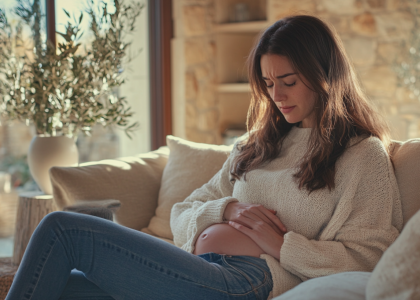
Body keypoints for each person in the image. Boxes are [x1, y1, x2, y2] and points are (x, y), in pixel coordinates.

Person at [6, 15, 403, 300]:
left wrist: (283, 246)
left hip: (245, 281)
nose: (277, 96)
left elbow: (373, 256)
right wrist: (226, 210)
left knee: (64, 229)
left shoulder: (360, 154)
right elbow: (184, 209)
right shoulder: (257, 144)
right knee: (65, 285)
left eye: (288, 82)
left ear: (324, 76)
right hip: (197, 268)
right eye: (267, 84)